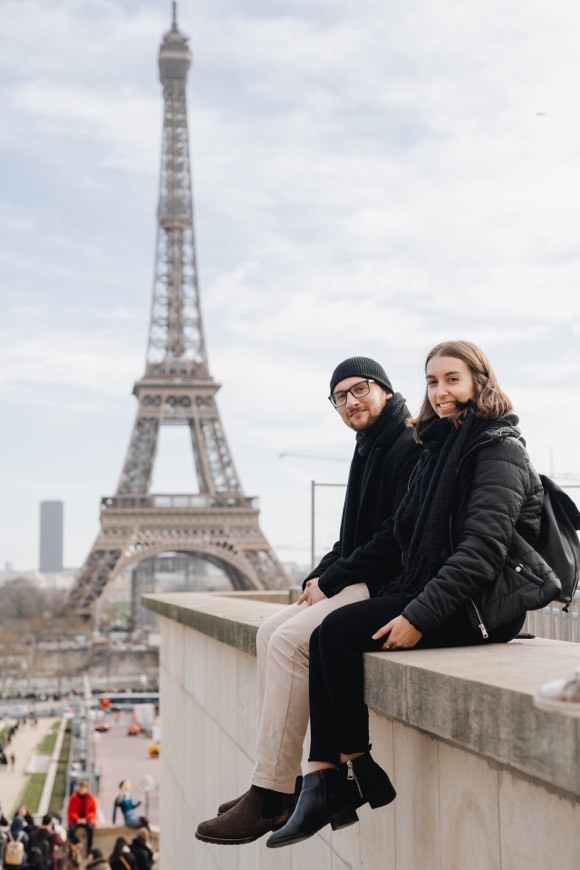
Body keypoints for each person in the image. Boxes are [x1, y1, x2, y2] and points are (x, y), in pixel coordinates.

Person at [267, 339, 562, 847]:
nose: (441, 391)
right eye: (432, 381)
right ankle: (333, 776)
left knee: (335, 631)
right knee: (327, 632)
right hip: (438, 589)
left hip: (481, 606)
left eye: (453, 378)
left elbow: (481, 551)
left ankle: (343, 776)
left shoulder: (499, 449)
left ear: (479, 381)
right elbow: (401, 530)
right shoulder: (437, 445)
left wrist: (419, 616)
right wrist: (340, 574)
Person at [196, 356, 421, 844]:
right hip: (365, 576)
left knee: (289, 641)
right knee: (267, 630)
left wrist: (336, 577)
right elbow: (354, 536)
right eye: (340, 396)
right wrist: (320, 574)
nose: (350, 402)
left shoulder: (406, 442)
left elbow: (394, 536)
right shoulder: (371, 445)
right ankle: (277, 783)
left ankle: (270, 791)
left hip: (388, 585)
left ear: (383, 388)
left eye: (359, 389)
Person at [66, 780, 98, 855]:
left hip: (87, 819)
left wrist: (85, 819)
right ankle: (74, 845)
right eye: (81, 788)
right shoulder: (73, 798)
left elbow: (93, 811)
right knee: (71, 830)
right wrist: (77, 819)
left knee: (90, 829)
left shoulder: (91, 798)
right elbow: (70, 811)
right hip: (76, 819)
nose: (82, 790)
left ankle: (89, 849)